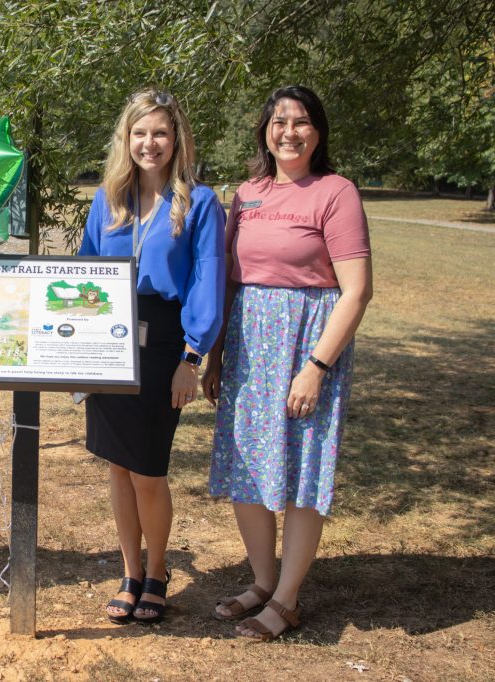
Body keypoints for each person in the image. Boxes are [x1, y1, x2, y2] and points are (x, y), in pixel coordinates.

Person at [203, 85, 373, 641]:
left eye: (301, 122)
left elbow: (356, 291)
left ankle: (288, 598)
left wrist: (316, 367)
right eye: (279, 122)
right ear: (265, 131)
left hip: (306, 344)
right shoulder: (247, 194)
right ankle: (261, 581)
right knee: (248, 466)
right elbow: (230, 279)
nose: (289, 132)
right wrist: (217, 355)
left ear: (318, 131)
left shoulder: (336, 192)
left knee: (301, 471)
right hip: (250, 349)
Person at [78, 89, 225, 625]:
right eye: (140, 133)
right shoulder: (106, 201)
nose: (149, 143)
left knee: (148, 469)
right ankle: (130, 571)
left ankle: (158, 571)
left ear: (176, 139)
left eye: (160, 132)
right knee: (117, 466)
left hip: (165, 341)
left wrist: (192, 356)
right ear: (126, 139)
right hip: (106, 338)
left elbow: (208, 280)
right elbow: (84, 275)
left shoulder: (200, 203)